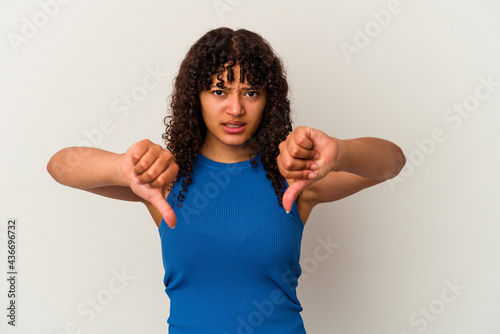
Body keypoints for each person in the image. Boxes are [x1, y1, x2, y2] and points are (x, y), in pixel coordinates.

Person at [47, 27, 406, 333]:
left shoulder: (295, 179)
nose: (235, 109)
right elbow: (59, 166)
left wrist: (341, 151)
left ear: (269, 100)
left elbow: (393, 162)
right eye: (219, 91)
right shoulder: (166, 179)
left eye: (251, 92)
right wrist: (121, 168)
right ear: (196, 99)